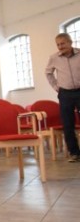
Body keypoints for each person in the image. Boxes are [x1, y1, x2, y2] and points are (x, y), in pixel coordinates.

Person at [45, 32, 80, 162]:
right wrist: (56, 87)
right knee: (68, 124)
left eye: (63, 43)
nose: (60, 47)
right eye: (58, 44)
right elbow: (48, 73)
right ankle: (74, 153)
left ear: (70, 42)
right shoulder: (54, 58)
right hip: (65, 94)